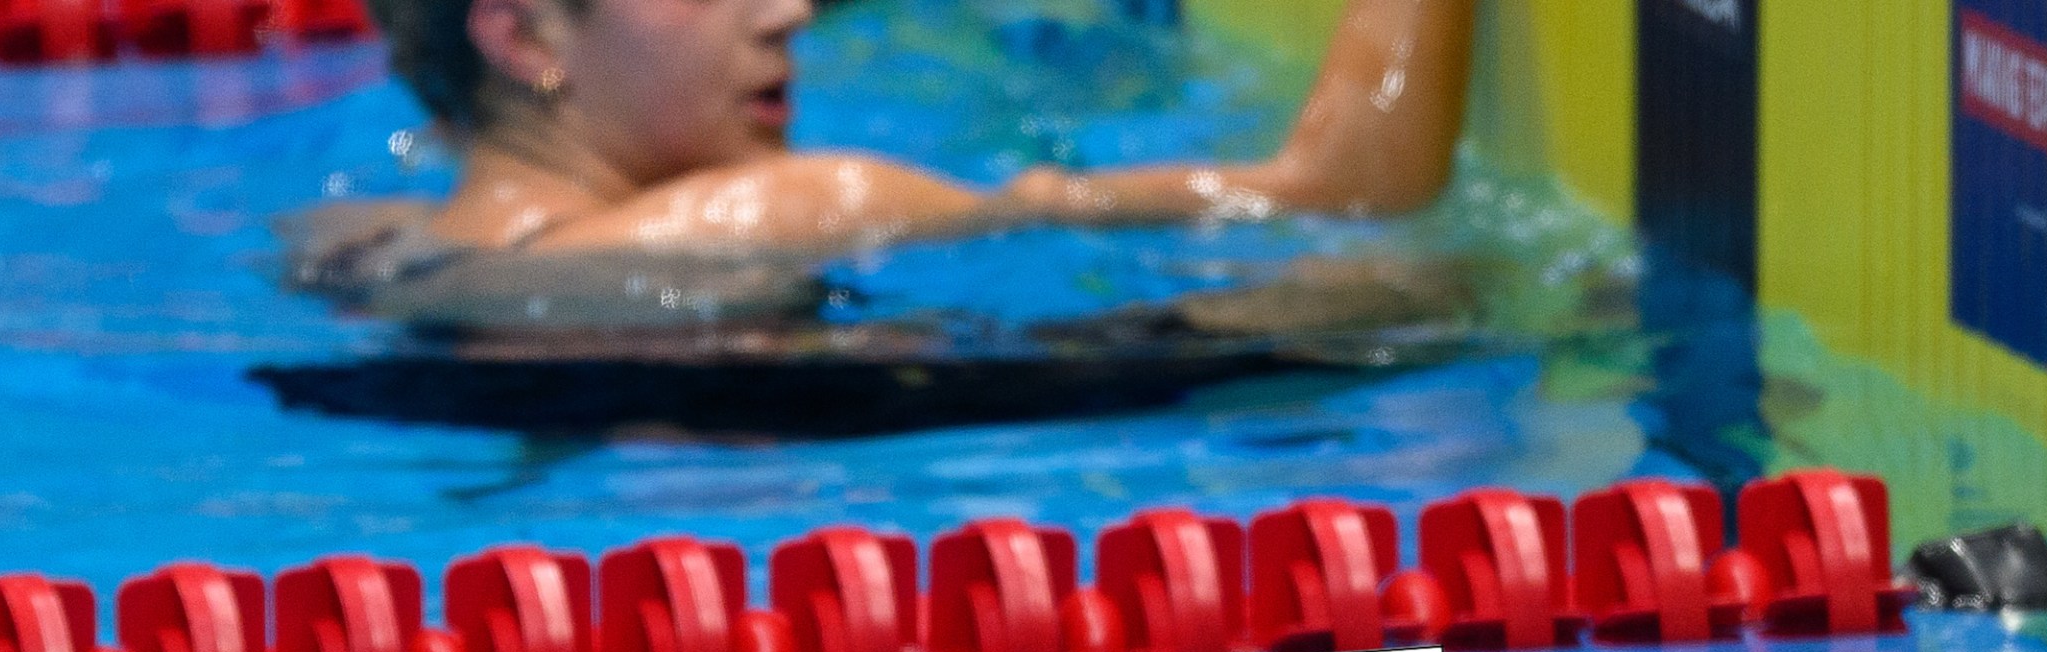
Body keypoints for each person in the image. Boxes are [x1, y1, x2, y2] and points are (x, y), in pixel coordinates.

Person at [369, 0, 1476, 258]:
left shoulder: (375, 249)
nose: (789, 10)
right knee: (1408, 290)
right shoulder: (789, 208)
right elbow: (1350, 187)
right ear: (521, 37)